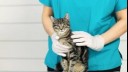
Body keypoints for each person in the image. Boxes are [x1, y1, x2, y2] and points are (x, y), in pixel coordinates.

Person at [39, 0, 127, 72]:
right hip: (62, 60)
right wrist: (54, 35)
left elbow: (125, 19)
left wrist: (100, 40)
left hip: (103, 60)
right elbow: (47, 15)